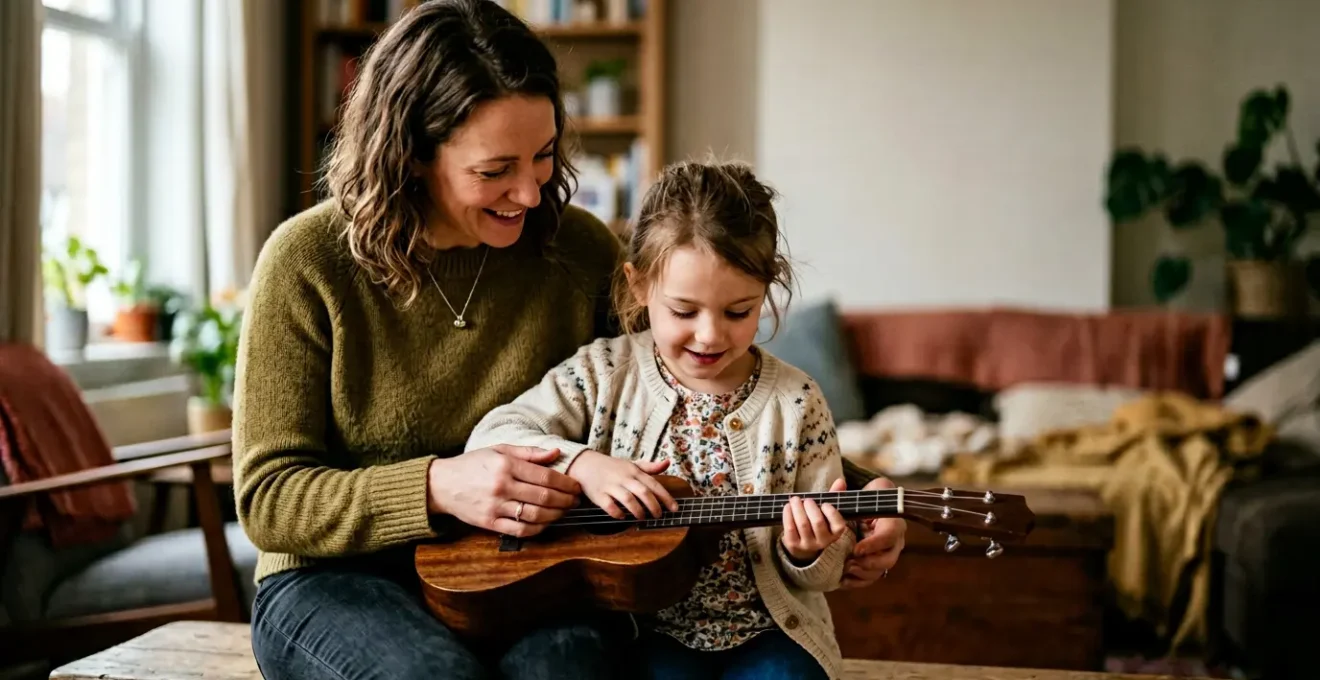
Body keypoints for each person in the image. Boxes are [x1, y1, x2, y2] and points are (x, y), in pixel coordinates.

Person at [465, 159, 902, 680]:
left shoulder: (799, 402)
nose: (710, 335)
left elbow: (825, 575)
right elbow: (491, 437)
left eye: (739, 311)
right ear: (639, 286)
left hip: (767, 633)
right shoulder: (603, 372)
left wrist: (807, 552)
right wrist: (584, 464)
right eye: (684, 311)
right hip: (645, 634)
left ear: (767, 289)